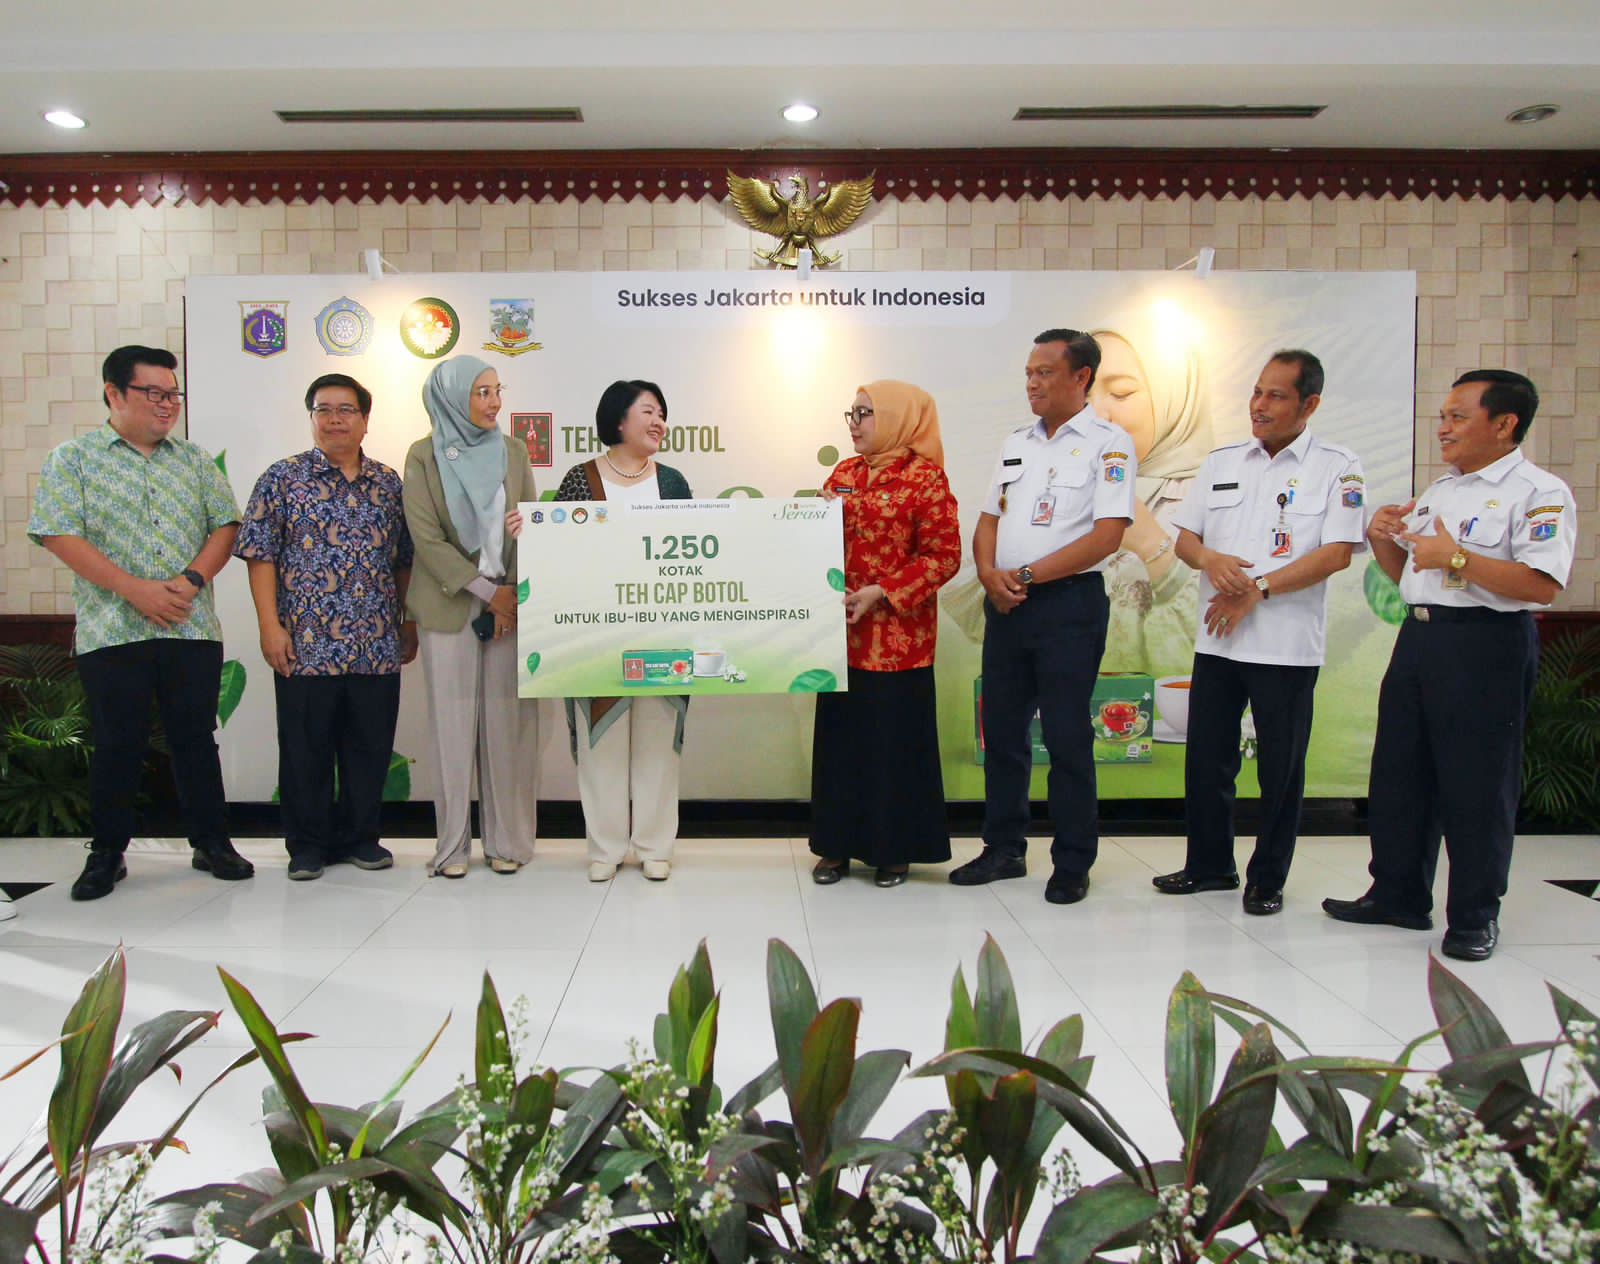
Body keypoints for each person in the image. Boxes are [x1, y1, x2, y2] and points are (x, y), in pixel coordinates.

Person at [1324, 370, 1576, 962]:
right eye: (1443, 416)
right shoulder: (1441, 490)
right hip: (1420, 639)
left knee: (1477, 785)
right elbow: (1411, 575)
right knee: (1400, 773)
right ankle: (1398, 895)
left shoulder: (1539, 492)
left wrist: (1457, 554)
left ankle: (1473, 916)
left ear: (1505, 424)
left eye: (1458, 417)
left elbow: (1541, 586)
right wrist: (1385, 536)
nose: (1443, 428)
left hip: (1485, 645)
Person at [27, 344, 253, 901]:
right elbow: (59, 533)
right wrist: (136, 591)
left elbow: (225, 527)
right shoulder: (73, 459)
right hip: (112, 630)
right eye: (154, 393)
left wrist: (192, 582)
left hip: (190, 628)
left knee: (196, 739)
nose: (167, 404)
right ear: (113, 393)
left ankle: (212, 843)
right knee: (117, 742)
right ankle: (107, 854)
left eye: (172, 393)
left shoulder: (195, 460)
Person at [1152, 351, 1365, 916]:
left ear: (1308, 404)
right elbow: (1185, 540)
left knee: (1280, 770)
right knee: (1207, 762)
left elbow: (1337, 553)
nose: (1259, 405)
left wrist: (1259, 588)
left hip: (1287, 648)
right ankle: (1209, 866)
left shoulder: (1337, 466)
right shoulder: (1223, 460)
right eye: (1256, 392)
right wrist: (1211, 558)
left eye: (1275, 395)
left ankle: (1267, 878)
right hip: (1217, 640)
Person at [953, 329, 1137, 905]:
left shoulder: (1110, 444)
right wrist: (989, 575)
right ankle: (1004, 849)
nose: (1032, 382)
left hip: (1068, 607)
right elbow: (988, 520)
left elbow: (1107, 537)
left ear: (1081, 377)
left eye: (1045, 372)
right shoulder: (1016, 442)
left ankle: (1073, 860)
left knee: (1065, 736)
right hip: (1006, 605)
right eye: (1029, 372)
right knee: (1003, 733)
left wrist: (1026, 577)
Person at [235, 373, 417, 881]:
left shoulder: (388, 483)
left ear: (365, 419)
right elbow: (259, 556)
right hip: (306, 644)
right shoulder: (282, 478)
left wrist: (409, 620)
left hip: (376, 641)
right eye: (324, 409)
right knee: (304, 750)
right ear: (312, 417)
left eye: (346, 409)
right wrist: (270, 627)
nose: (335, 419)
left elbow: (404, 560)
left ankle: (362, 838)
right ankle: (307, 847)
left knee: (370, 747)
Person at [811, 381, 961, 888]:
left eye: (866, 413)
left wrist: (884, 590)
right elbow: (816, 543)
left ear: (898, 418)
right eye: (851, 412)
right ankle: (835, 848)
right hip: (841, 640)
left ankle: (893, 851)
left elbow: (944, 556)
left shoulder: (926, 480)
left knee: (893, 747)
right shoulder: (844, 474)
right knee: (842, 746)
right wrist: (812, 520)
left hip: (901, 640)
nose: (854, 422)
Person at [403, 355, 540, 878]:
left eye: (496, 391)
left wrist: (509, 592)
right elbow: (426, 538)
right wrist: (486, 591)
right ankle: (453, 845)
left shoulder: (513, 451)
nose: (493, 402)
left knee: (509, 726)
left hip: (508, 608)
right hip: (450, 606)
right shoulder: (423, 456)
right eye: (480, 393)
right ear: (452, 397)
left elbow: (529, 522)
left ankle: (508, 843)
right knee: (452, 726)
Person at [552, 380, 693, 883]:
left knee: (659, 739)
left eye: (662, 413)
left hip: (664, 633)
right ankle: (605, 847)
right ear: (618, 420)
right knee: (602, 740)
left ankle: (655, 845)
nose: (659, 422)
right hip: (596, 636)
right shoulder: (579, 479)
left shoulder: (673, 482)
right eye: (648, 411)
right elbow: (559, 552)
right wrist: (534, 531)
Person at [1089, 323, 1212, 680]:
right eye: (1084, 395)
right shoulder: (1066, 482)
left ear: (1174, 396)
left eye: (1122, 393)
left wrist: (1149, 542)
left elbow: (1222, 642)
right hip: (1070, 711)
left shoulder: (1216, 492)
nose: (1097, 414)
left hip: (1167, 722)